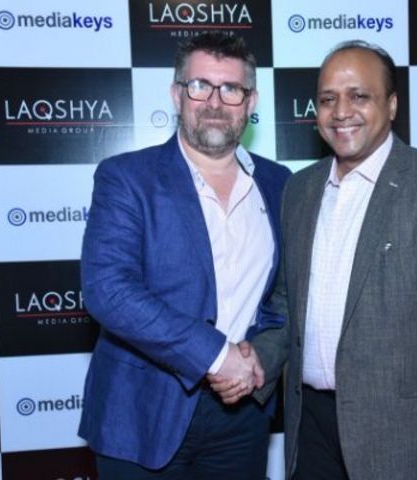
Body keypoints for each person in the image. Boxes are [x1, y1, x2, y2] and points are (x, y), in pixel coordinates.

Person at [213, 40, 417, 479]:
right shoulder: (300, 190)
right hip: (310, 429)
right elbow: (289, 306)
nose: (341, 111)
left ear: (391, 105)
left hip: (401, 441)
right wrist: (256, 359)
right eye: (328, 99)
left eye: (359, 96)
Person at [78, 32, 290, 479]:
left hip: (243, 413)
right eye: (200, 86)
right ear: (177, 94)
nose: (214, 102)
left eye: (231, 89)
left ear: (251, 101)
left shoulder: (280, 184)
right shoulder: (126, 177)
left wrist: (258, 360)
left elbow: (285, 295)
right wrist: (216, 355)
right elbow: (109, 291)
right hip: (142, 414)